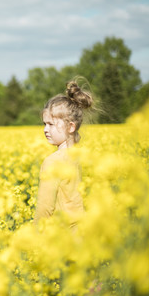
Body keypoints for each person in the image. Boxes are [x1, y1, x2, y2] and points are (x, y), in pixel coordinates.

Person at [34, 78, 94, 229]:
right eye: (44, 124)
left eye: (51, 124)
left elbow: (45, 208)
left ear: (71, 127)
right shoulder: (79, 157)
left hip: (61, 238)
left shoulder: (52, 162)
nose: (45, 129)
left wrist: (34, 239)